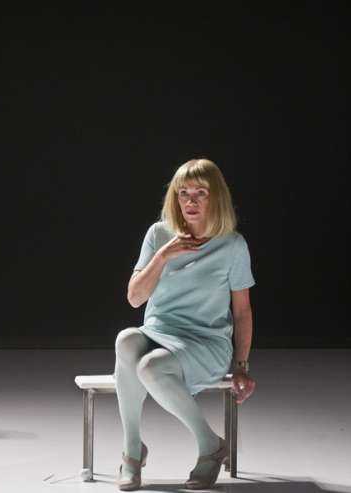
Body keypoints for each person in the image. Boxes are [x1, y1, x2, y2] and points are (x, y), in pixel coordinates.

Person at [114, 158, 256, 490]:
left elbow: (242, 312)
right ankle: (132, 449)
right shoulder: (159, 234)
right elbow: (135, 298)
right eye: (183, 193)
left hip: (206, 341)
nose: (190, 201)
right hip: (159, 332)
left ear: (216, 196)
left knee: (150, 366)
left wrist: (241, 366)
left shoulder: (232, 245)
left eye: (200, 193)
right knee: (126, 340)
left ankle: (209, 444)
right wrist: (163, 255)